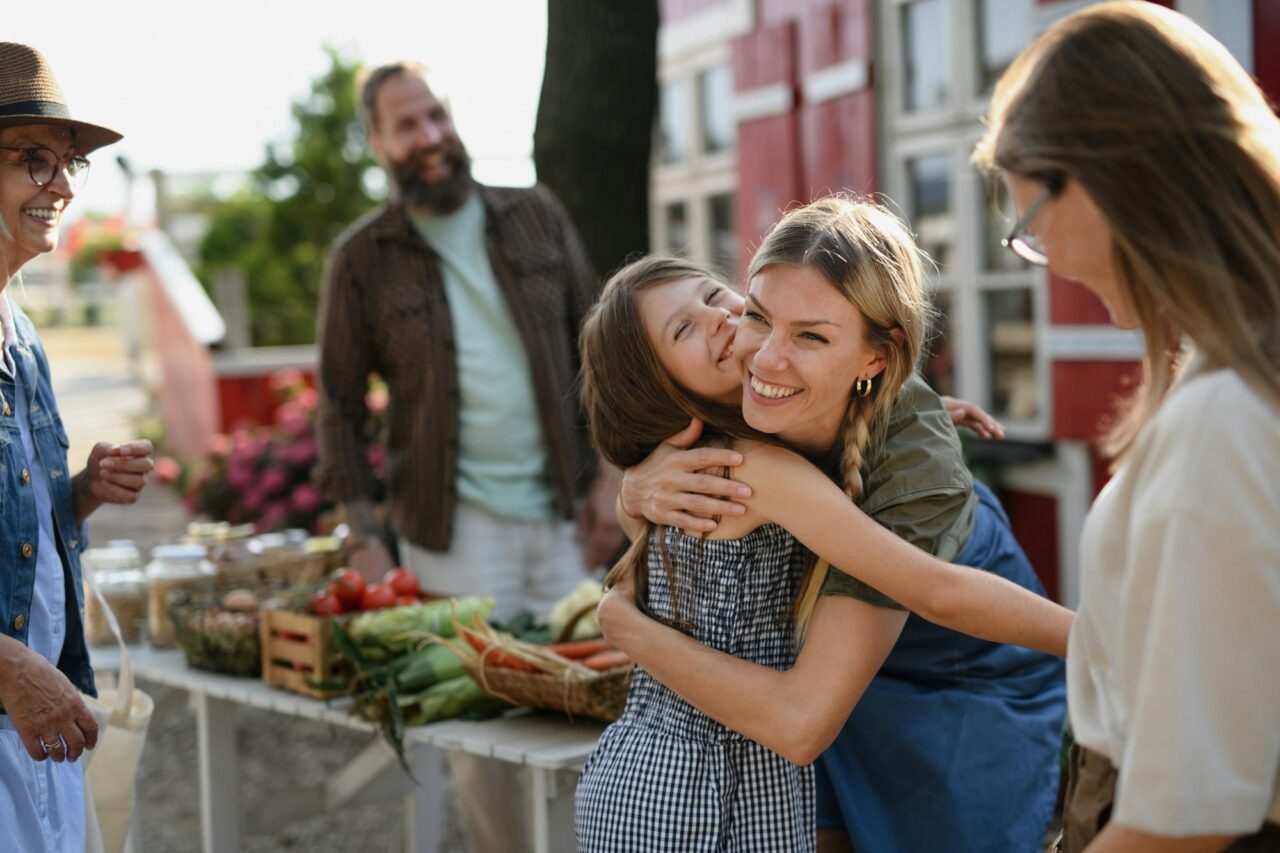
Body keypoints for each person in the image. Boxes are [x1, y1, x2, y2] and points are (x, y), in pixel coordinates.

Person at [600, 197, 1067, 851]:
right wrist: (636, 488)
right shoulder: (733, 398)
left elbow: (939, 594)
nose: (745, 338)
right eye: (758, 313)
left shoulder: (899, 452)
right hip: (840, 672)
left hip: (957, 677)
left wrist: (1111, 645)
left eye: (811, 335)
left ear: (875, 357)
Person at [972, 3, 1280, 850]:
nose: (1045, 260)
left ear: (1111, 181)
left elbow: (1181, 821)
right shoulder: (1244, 372)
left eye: (1032, 224)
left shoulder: (1221, 418)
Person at [313, 60, 621, 852]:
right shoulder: (361, 259)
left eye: (438, 117)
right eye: (408, 126)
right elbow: (340, 408)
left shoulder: (535, 214)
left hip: (565, 514)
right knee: (483, 733)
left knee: (595, 709)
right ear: (378, 142)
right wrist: (363, 535)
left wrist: (614, 477)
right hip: (451, 532)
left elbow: (605, 348)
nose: (432, 139)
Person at [0, 42, 156, 853]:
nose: (61, 185)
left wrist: (82, 489)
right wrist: (9, 668)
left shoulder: (20, 333)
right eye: (35, 160)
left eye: (68, 165)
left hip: (39, 719)